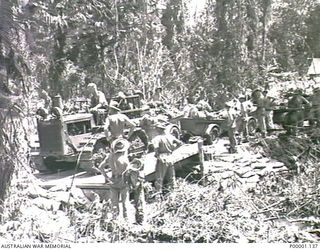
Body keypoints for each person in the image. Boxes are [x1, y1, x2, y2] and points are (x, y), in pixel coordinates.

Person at [98, 138, 131, 219]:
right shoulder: (124, 158)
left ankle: (115, 219)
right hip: (122, 181)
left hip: (113, 180)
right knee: (125, 202)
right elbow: (128, 171)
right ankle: (126, 219)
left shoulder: (110, 156)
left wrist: (107, 177)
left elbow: (100, 167)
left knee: (114, 203)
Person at [152, 123, 183, 197]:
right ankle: (173, 193)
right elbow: (180, 143)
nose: (155, 130)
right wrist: (173, 149)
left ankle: (158, 195)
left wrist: (157, 155)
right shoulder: (170, 136)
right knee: (171, 176)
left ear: (159, 129)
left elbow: (156, 149)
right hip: (170, 157)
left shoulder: (157, 138)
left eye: (156, 128)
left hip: (162, 158)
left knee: (159, 177)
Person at [127, 158, 145, 224]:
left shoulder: (140, 172)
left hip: (139, 189)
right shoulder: (131, 172)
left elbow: (140, 181)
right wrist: (130, 186)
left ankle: (141, 219)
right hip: (133, 189)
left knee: (139, 203)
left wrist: (135, 187)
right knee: (135, 203)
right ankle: (137, 219)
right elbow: (128, 180)